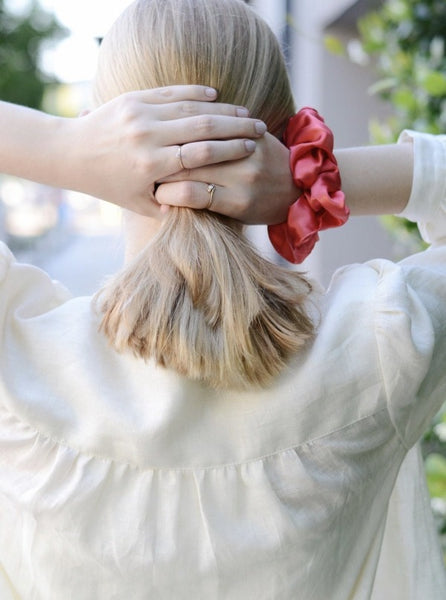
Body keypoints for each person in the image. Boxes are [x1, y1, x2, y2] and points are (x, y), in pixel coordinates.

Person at [0, 0, 445, 598]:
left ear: (97, 134)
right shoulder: (381, 341)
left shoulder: (19, 358)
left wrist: (60, 147)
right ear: (289, 137)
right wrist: (313, 180)